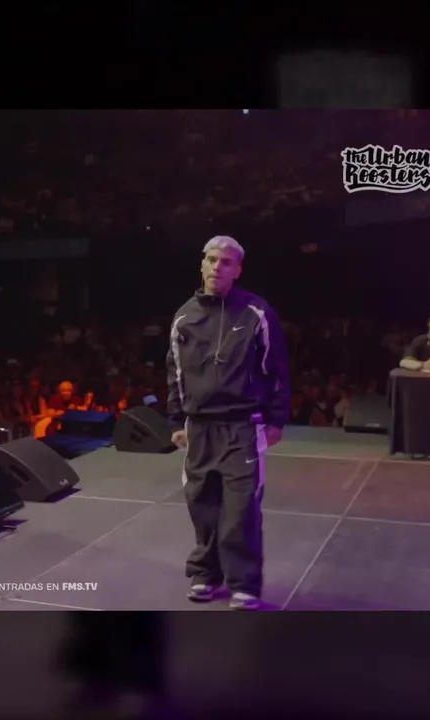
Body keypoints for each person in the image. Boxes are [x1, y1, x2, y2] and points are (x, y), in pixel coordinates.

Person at [166, 235, 290, 611]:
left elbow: (276, 369)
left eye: (226, 262)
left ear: (238, 270)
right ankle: (205, 573)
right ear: (202, 264)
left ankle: (244, 583)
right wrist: (176, 419)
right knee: (202, 503)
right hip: (199, 426)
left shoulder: (257, 313)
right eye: (212, 259)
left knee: (241, 508)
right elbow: (175, 372)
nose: (217, 267)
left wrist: (276, 418)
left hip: (243, 425)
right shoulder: (184, 316)